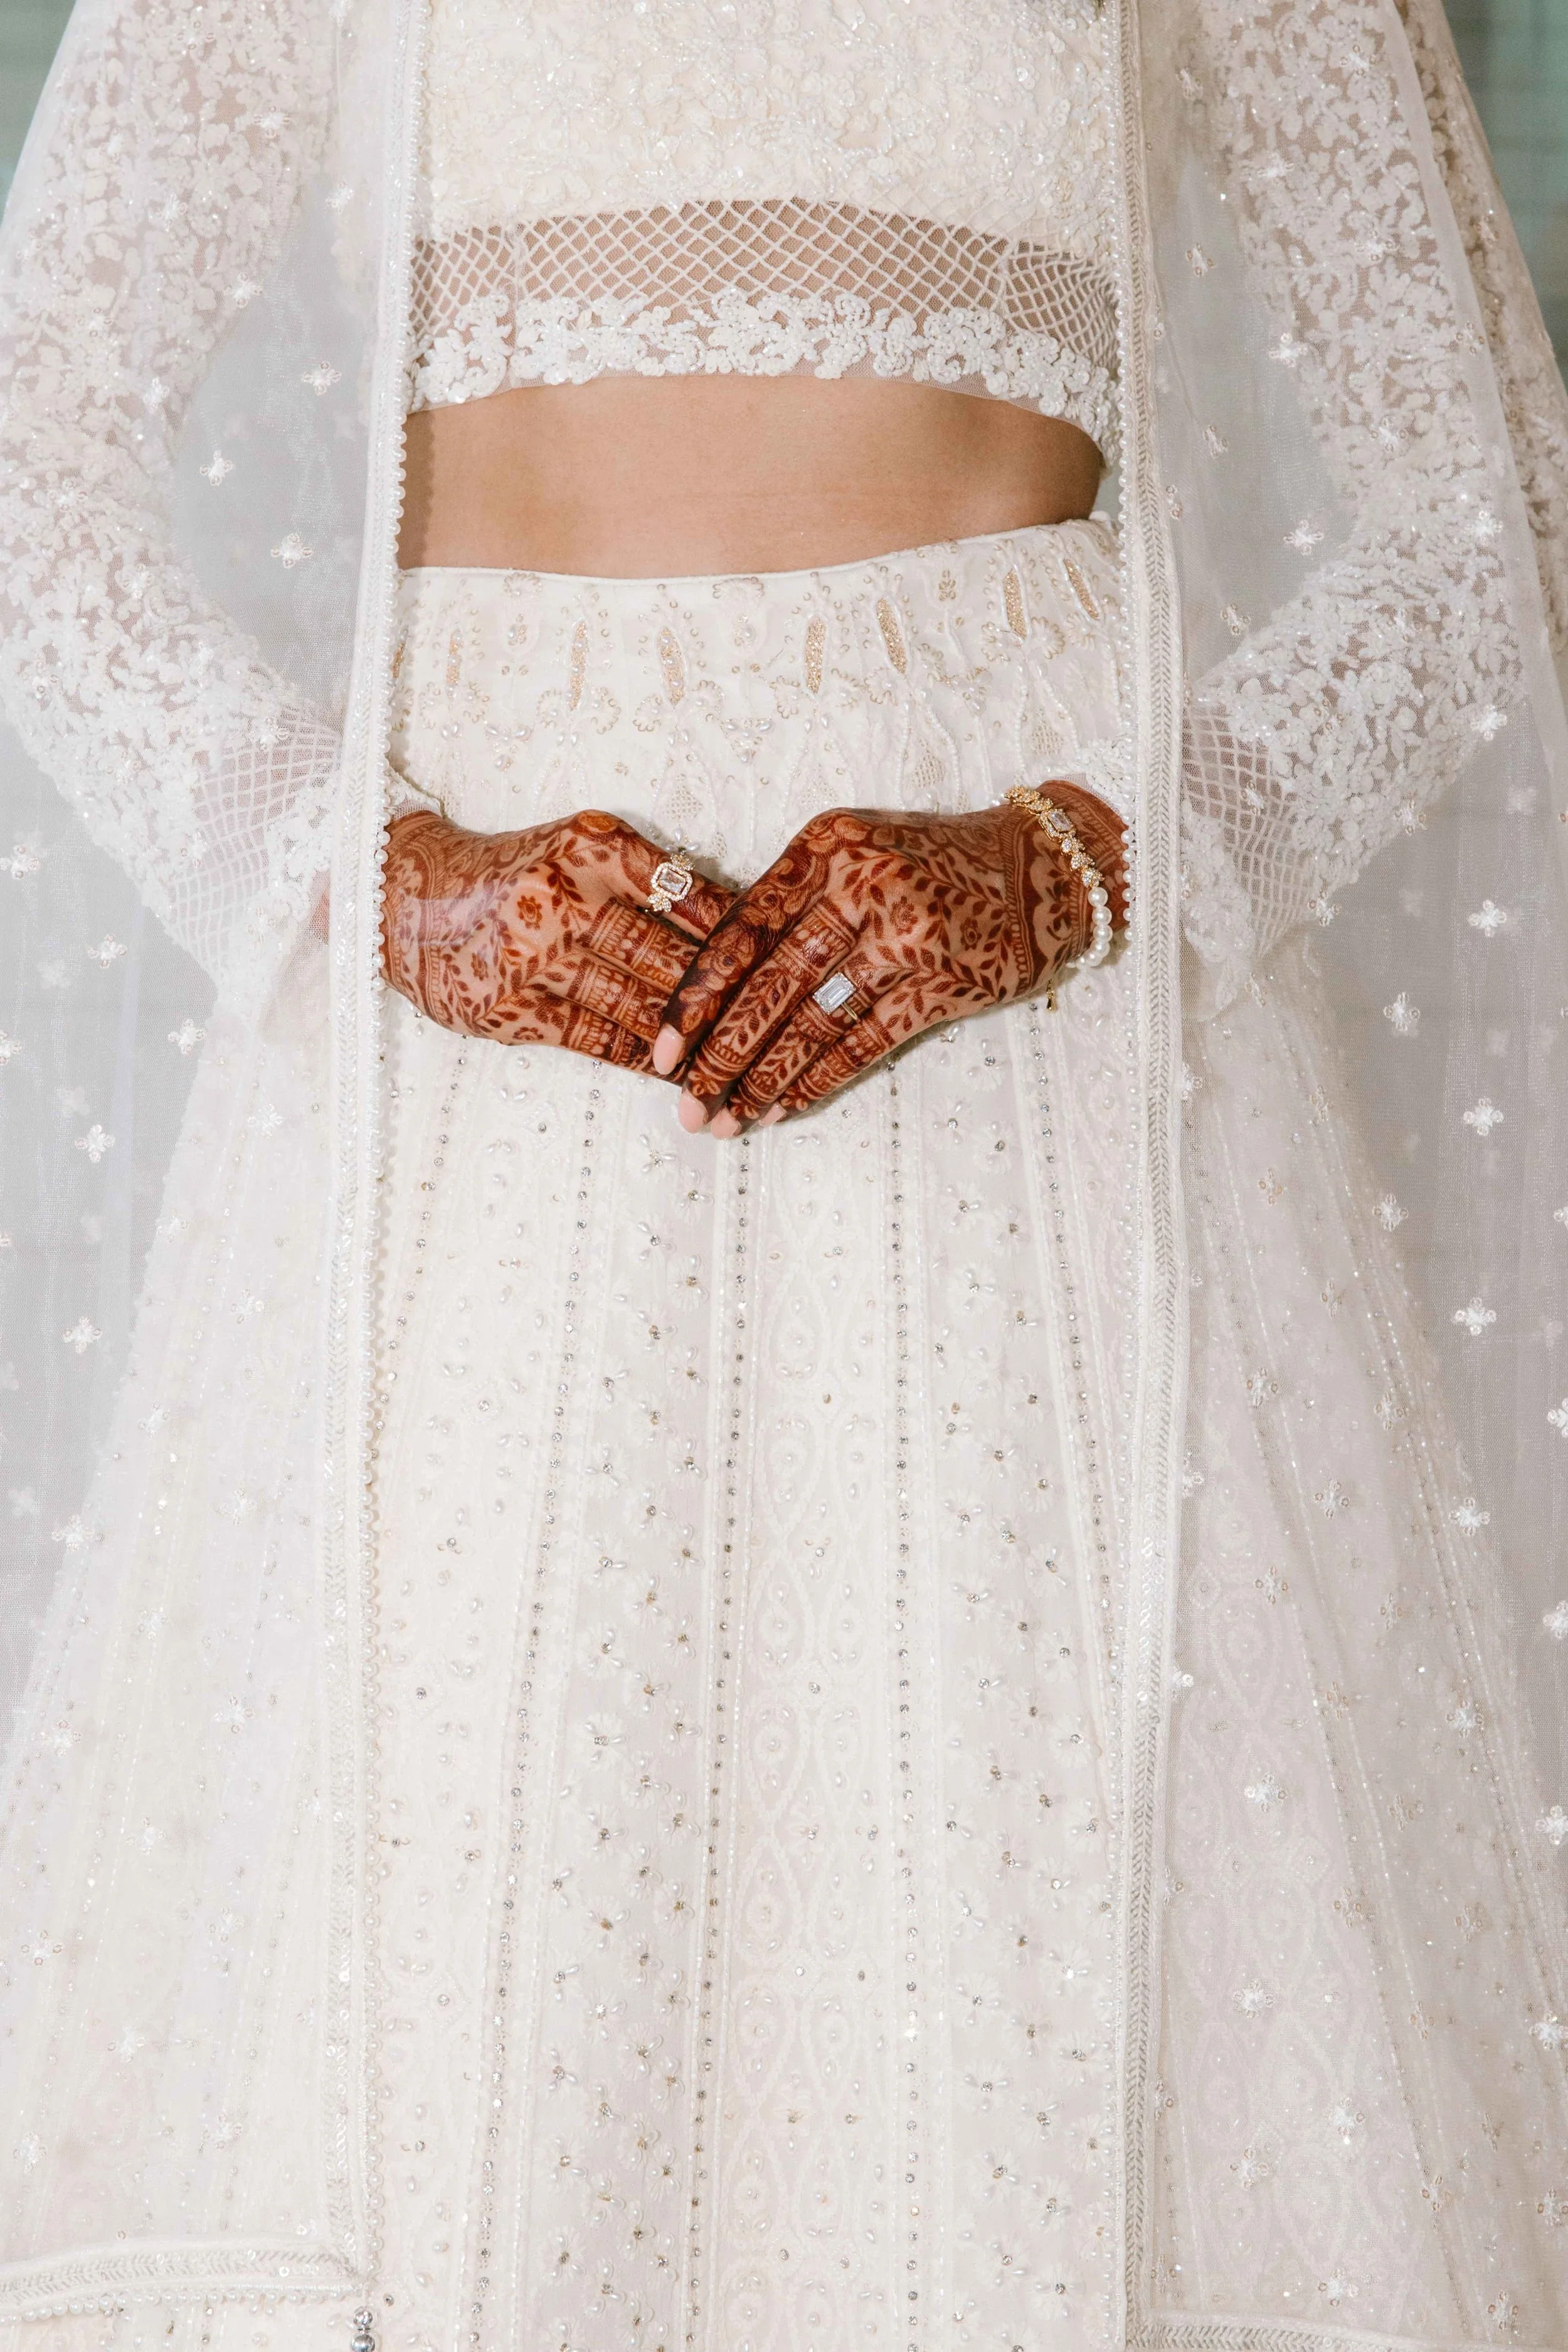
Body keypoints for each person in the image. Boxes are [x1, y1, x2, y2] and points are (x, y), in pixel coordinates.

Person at [1, 2, 1566, 2346]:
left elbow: (1488, 500)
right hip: (487, 1028)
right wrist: (370, 880)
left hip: (1030, 1018)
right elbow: (21, 464)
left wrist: (1084, 866)